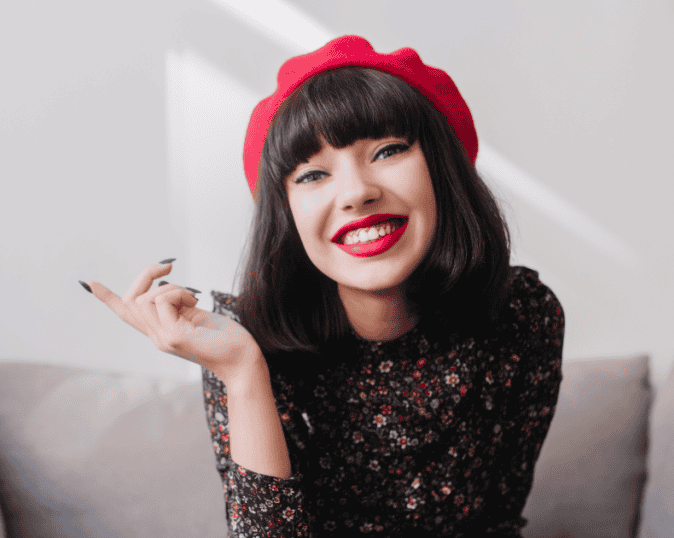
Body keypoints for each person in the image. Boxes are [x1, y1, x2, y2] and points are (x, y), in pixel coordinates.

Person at [82, 35, 564, 537]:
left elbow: (499, 522)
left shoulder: (523, 316)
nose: (357, 192)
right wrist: (244, 375)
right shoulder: (246, 343)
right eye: (312, 175)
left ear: (444, 170)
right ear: (286, 216)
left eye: (388, 150)